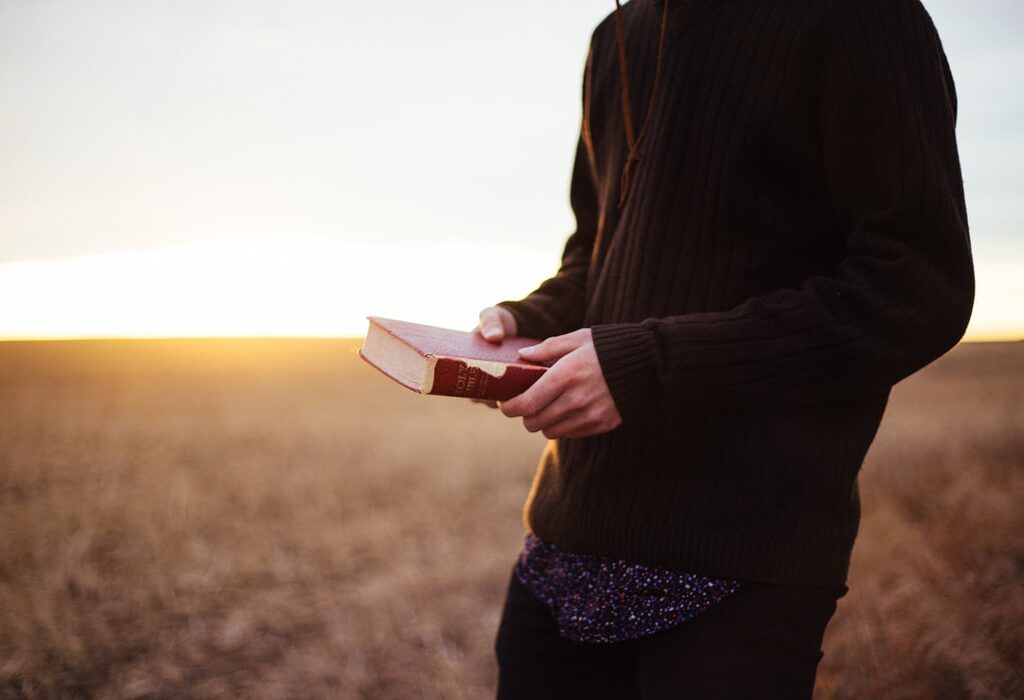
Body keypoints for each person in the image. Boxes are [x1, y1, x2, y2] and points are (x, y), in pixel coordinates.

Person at [476, 0, 974, 697]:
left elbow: (915, 289)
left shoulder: (863, 17)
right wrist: (527, 317)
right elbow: (597, 253)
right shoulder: (618, 36)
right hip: (566, 549)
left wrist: (648, 365)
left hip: (740, 568)